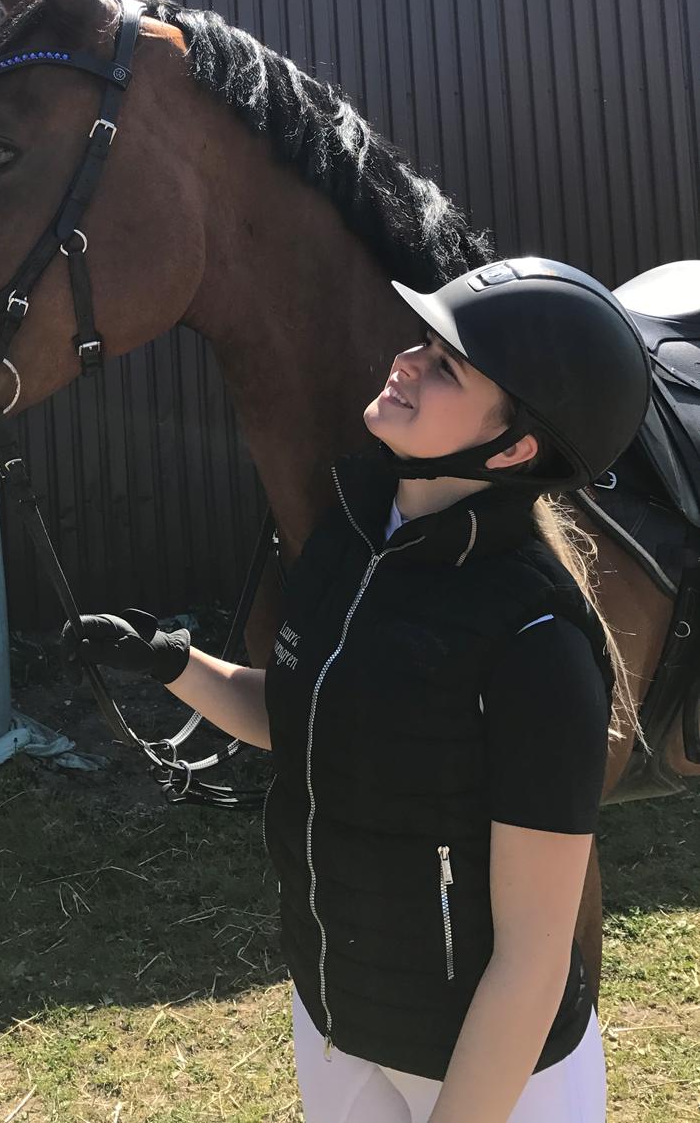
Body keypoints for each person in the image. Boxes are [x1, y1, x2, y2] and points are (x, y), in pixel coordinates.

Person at [60, 256, 652, 1123]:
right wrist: (171, 663)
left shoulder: (537, 643)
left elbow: (532, 961)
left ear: (515, 446)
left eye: (444, 364)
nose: (405, 360)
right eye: (421, 341)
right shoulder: (348, 535)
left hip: (493, 1073)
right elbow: (308, 720)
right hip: (338, 1022)